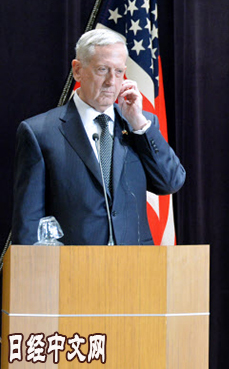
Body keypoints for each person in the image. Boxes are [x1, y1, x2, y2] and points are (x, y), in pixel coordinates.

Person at [12, 29, 186, 245]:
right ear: (77, 70)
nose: (111, 81)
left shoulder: (139, 124)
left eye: (119, 71)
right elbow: (29, 222)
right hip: (72, 263)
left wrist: (139, 125)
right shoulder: (40, 132)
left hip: (135, 261)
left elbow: (170, 182)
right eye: (102, 70)